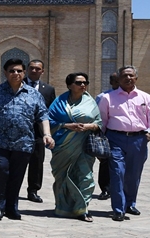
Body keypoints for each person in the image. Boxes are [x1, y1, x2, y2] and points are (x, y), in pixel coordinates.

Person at [0, 58, 55, 221]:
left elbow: (43, 115)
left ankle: (11, 207)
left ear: (24, 73)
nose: (15, 73)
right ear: (5, 73)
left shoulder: (34, 94)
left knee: (16, 175)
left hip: (23, 142)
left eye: (19, 71)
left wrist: (47, 134)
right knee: (0, 168)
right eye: (12, 70)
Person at [97, 65, 150, 222]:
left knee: (133, 175)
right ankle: (118, 208)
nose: (128, 78)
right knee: (117, 173)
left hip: (138, 140)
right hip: (115, 139)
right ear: (118, 79)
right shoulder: (108, 98)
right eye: (124, 76)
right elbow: (102, 121)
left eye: (131, 76)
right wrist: (100, 143)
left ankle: (130, 203)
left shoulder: (145, 98)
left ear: (136, 78)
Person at [48, 73, 102, 222]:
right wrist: (66, 125)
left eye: (85, 82)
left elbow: (100, 123)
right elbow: (48, 121)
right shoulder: (59, 102)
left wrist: (89, 126)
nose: (83, 85)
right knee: (63, 177)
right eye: (79, 83)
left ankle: (82, 209)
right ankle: (63, 207)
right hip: (63, 147)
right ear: (70, 85)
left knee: (86, 177)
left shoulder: (90, 103)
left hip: (84, 146)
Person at [23, 59, 56, 203]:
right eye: (31, 68)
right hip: (20, 130)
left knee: (37, 161)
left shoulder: (48, 89)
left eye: (38, 69)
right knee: (16, 161)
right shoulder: (19, 83)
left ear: (42, 71)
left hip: (38, 132)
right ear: (27, 70)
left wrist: (48, 133)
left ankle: (33, 190)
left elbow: (50, 111)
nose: (34, 71)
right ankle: (10, 188)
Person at [95, 72, 119, 201]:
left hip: (122, 135)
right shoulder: (102, 97)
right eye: (115, 81)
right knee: (105, 162)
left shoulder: (131, 96)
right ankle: (105, 189)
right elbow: (96, 116)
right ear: (111, 82)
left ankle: (119, 190)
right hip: (107, 134)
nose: (118, 83)